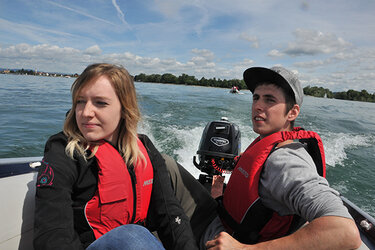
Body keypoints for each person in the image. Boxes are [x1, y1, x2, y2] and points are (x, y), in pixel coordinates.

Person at [33, 63, 198, 250]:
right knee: (132, 237)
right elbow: (52, 234)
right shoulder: (63, 151)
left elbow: (169, 214)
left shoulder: (145, 149)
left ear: (124, 109)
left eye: (100, 103)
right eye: (80, 101)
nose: (86, 112)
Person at [202, 66, 362, 249]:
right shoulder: (268, 143)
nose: (258, 106)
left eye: (269, 100)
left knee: (164, 165)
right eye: (256, 98)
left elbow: (344, 231)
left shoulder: (286, 161)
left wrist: (244, 249)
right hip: (222, 220)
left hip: (218, 237)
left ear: (293, 112)